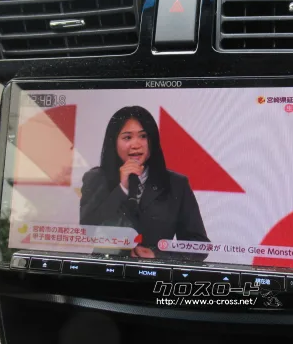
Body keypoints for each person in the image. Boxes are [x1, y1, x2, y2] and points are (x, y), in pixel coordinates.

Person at [80, 106, 209, 259]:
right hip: (106, 269)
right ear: (113, 142)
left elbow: (199, 245)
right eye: (127, 137)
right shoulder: (96, 179)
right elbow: (88, 231)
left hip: (153, 271)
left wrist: (158, 255)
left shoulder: (176, 184)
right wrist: (122, 189)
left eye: (143, 136)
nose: (136, 144)